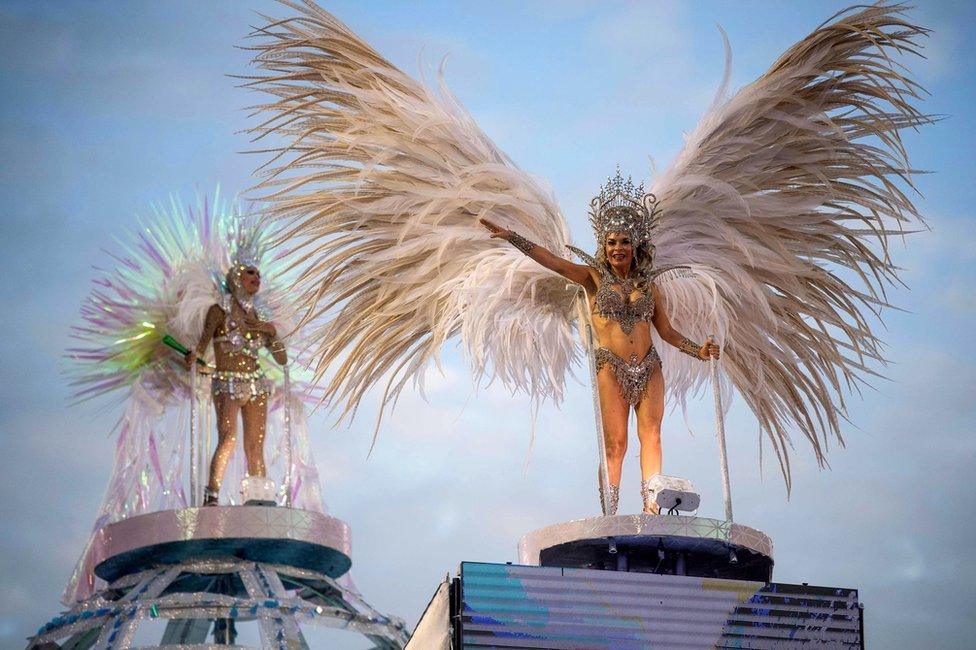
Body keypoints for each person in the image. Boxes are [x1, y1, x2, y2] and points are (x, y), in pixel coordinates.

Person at [481, 172, 719, 514]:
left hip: (650, 366)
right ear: (603, 247)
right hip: (611, 367)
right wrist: (512, 237)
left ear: (634, 245)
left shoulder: (649, 286)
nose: (617, 248)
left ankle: (652, 512)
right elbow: (554, 261)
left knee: (651, 436)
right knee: (615, 445)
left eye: (624, 241)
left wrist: (699, 350)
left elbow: (666, 332)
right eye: (611, 242)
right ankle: (610, 513)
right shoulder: (591, 278)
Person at [185, 262, 287, 505]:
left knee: (255, 445)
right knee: (228, 438)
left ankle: (259, 498)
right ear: (236, 278)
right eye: (250, 273)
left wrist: (271, 332)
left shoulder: (261, 317)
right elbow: (200, 349)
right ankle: (212, 495)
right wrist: (193, 358)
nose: (256, 277)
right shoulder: (219, 310)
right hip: (226, 384)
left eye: (259, 274)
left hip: (256, 386)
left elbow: (282, 359)